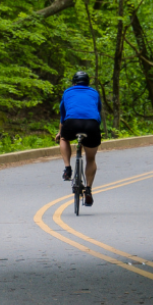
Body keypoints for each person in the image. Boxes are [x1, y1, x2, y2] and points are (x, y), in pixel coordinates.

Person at [57, 70, 101, 206]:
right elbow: (97, 112)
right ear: (87, 83)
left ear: (74, 83)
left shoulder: (68, 92)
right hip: (91, 125)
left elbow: (63, 116)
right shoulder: (94, 93)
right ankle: (88, 189)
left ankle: (67, 168)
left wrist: (60, 133)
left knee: (64, 138)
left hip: (72, 123)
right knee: (91, 158)